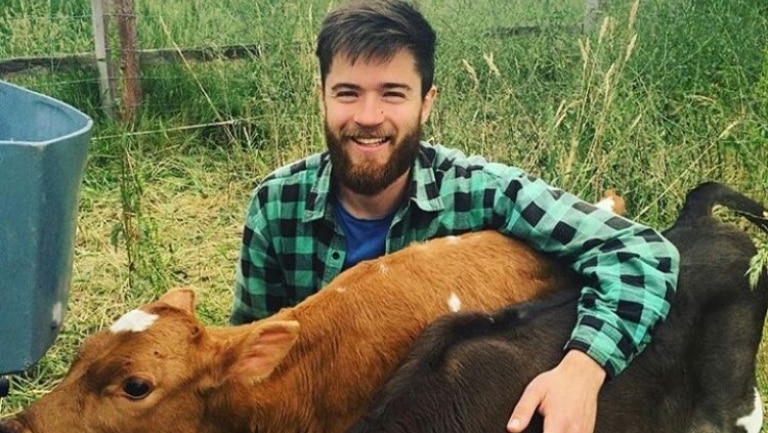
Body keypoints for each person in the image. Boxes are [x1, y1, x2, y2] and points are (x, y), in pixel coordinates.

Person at [230, 1, 680, 432]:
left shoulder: (480, 192)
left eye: (393, 93)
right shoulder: (276, 204)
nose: (369, 116)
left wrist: (584, 367)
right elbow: (246, 360)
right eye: (348, 93)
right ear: (322, 98)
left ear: (426, 101)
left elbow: (643, 253)